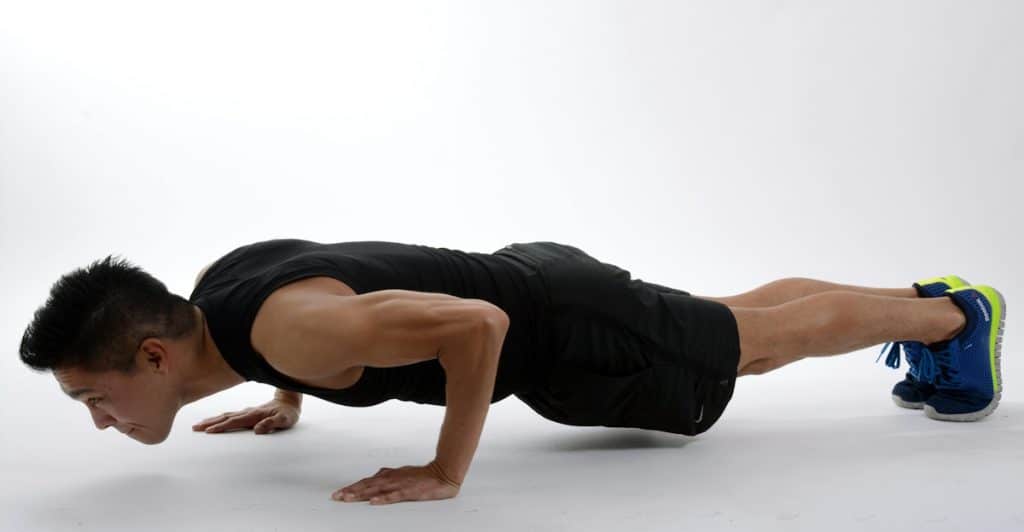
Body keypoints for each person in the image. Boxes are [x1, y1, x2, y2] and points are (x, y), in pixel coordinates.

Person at [18, 239, 1005, 505]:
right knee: (736, 317)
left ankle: (955, 315)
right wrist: (288, 398)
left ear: (151, 354)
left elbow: (474, 327)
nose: (101, 420)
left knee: (754, 342)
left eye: (93, 397)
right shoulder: (225, 299)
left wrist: (448, 471)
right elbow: (315, 294)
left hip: (558, 330)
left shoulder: (289, 333)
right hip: (545, 281)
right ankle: (931, 300)